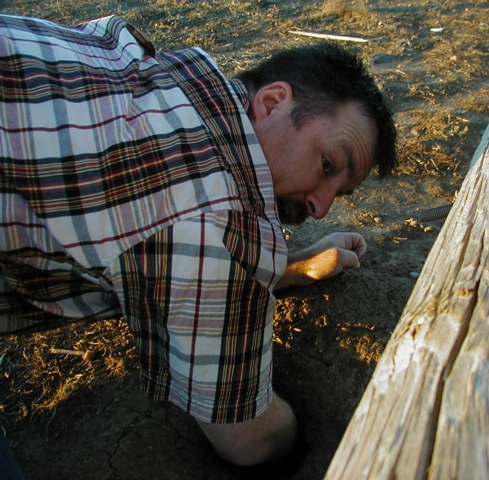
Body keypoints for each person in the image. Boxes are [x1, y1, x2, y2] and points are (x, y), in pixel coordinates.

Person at [0, 13, 397, 469]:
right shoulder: (218, 224)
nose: (321, 208)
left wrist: (287, 267)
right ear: (272, 102)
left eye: (338, 194)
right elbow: (251, 440)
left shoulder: (180, 78)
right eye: (327, 165)